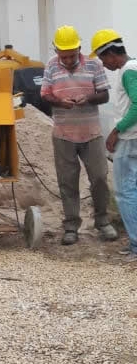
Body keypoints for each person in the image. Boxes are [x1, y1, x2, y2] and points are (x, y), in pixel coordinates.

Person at [40, 25, 118, 245]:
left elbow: (104, 95)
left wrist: (88, 98)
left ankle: (102, 222)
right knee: (67, 181)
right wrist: (60, 102)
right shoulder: (51, 66)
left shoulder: (94, 64)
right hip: (63, 133)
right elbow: (45, 94)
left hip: (91, 132)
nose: (66, 60)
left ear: (79, 49)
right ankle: (71, 226)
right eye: (62, 56)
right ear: (56, 51)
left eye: (71, 56)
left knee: (100, 178)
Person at [90, 29, 137, 261]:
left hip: (130, 140)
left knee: (125, 193)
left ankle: (136, 246)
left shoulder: (128, 71)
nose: (103, 64)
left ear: (110, 53)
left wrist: (116, 132)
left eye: (102, 59)